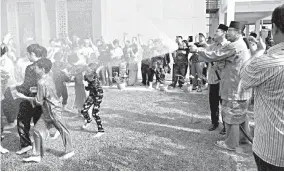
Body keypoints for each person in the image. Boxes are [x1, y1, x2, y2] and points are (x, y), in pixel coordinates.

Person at [190, 21, 252, 151]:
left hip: (233, 86)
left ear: (238, 33)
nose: (227, 33)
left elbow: (215, 55)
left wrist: (198, 50)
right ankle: (243, 138)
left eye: (230, 31)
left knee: (231, 114)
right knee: (240, 114)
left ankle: (231, 143)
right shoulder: (240, 44)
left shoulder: (234, 46)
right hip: (239, 86)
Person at [240, 4, 284, 170]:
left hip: (273, 149)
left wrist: (258, 51)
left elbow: (245, 74)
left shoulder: (268, 62)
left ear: (274, 28)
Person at [15, 58, 74, 162]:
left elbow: (38, 101)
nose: (34, 69)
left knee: (62, 129)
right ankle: (36, 155)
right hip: (48, 110)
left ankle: (69, 151)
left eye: (36, 67)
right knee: (37, 131)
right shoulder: (48, 78)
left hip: (53, 111)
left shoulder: (41, 82)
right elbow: (45, 93)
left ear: (42, 69)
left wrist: (22, 96)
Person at [14, 44, 46, 155]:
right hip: (42, 99)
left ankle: (26, 145)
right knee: (38, 121)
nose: (27, 56)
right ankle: (40, 144)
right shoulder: (46, 64)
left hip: (30, 98)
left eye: (28, 53)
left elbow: (27, 85)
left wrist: (17, 88)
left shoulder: (31, 67)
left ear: (32, 54)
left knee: (22, 120)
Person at [206, 24, 229, 134]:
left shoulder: (228, 46)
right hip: (213, 79)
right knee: (213, 102)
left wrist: (219, 66)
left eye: (217, 31)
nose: (214, 33)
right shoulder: (212, 46)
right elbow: (205, 55)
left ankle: (226, 125)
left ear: (224, 33)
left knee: (224, 103)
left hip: (223, 80)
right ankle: (215, 122)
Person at [81, 63, 104, 138]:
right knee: (83, 110)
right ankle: (88, 121)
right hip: (92, 95)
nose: (87, 69)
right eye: (88, 67)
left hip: (98, 94)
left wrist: (86, 83)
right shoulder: (86, 75)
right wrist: (85, 84)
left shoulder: (95, 75)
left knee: (95, 113)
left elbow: (92, 84)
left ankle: (101, 130)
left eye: (89, 68)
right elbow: (87, 87)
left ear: (93, 70)